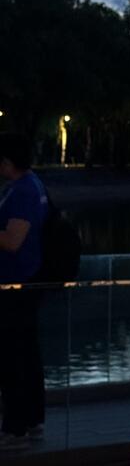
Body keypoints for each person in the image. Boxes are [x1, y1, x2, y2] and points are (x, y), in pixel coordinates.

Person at [0, 132, 49, 450]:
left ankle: (16, 428)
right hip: (24, 285)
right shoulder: (31, 187)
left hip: (16, 287)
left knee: (13, 357)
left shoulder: (22, 192)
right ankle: (31, 422)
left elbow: (13, 241)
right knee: (27, 355)